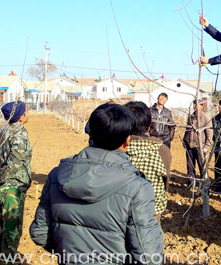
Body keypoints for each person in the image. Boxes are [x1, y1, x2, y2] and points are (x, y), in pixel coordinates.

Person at [30, 103, 164, 264]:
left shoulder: (56, 175)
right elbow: (148, 257)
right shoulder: (138, 187)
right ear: (127, 140)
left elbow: (40, 232)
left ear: (90, 134)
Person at [0, 101, 31, 264]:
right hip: (11, 189)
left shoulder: (0, 132)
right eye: (27, 110)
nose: (28, 113)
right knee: (12, 231)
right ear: (21, 117)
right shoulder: (19, 135)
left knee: (1, 227)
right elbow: (15, 164)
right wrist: (3, 182)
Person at [125, 101, 169, 220]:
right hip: (152, 212)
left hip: (120, 211)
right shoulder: (162, 150)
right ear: (149, 125)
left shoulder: (118, 149)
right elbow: (165, 184)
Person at [183, 99, 213, 188]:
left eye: (198, 105)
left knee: (202, 167)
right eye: (195, 104)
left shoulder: (205, 117)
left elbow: (209, 133)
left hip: (200, 147)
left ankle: (204, 185)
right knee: (190, 167)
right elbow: (187, 130)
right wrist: (185, 141)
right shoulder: (191, 116)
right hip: (190, 146)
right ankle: (191, 184)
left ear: (202, 106)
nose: (196, 106)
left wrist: (207, 146)